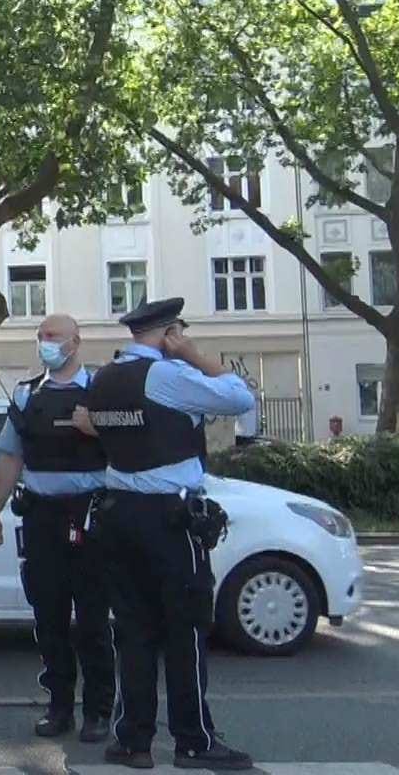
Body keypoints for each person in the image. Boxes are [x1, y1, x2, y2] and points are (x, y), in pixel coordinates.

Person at [79, 297, 258, 770]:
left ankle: (132, 740)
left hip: (118, 515)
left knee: (133, 632)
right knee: (185, 630)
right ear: (169, 332)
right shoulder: (167, 376)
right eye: (178, 332)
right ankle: (193, 740)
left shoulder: (105, 377)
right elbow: (240, 397)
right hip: (168, 519)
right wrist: (194, 354)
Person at [0, 313, 112, 743]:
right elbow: (9, 457)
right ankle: (60, 707)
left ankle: (98, 710)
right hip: (41, 516)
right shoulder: (26, 396)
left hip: (90, 516)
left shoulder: (101, 392)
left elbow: (133, 448)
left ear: (76, 342)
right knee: (49, 617)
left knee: (93, 620)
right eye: (40, 337)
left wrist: (94, 427)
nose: (45, 342)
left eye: (53, 336)